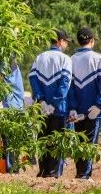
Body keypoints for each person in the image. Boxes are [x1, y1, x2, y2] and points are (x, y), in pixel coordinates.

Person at [29, 29, 72, 178]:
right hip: (58, 109)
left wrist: (41, 100)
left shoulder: (39, 57)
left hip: (41, 109)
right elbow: (64, 83)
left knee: (42, 141)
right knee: (56, 142)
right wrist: (54, 103)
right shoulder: (65, 59)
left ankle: (43, 172)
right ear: (60, 41)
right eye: (66, 41)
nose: (66, 44)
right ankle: (53, 175)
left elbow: (32, 78)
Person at [68, 27, 101, 179]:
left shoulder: (71, 60)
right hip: (93, 110)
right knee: (89, 143)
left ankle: (80, 174)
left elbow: (69, 87)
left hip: (77, 111)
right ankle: (83, 177)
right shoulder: (98, 59)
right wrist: (99, 105)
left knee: (79, 141)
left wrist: (73, 108)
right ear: (92, 41)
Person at [0, 59, 25, 173]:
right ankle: (11, 167)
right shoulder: (13, 66)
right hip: (15, 107)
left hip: (10, 108)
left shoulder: (5, 64)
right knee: (9, 139)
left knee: (8, 139)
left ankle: (11, 168)